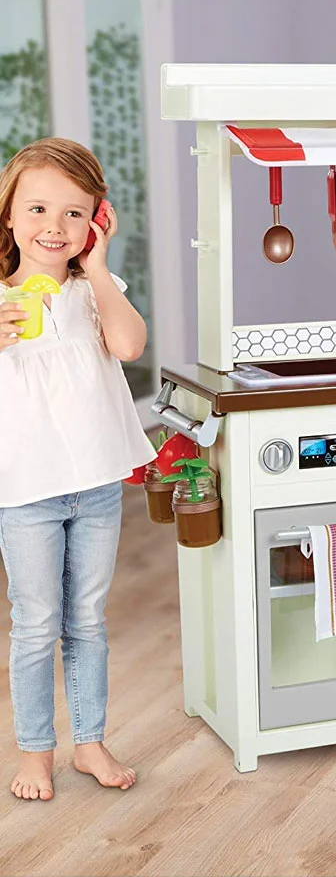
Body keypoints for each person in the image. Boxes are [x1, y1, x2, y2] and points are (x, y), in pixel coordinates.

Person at [0, 138, 156, 801]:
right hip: (24, 490)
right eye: (37, 208)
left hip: (93, 484)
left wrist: (98, 266)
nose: (53, 227)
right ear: (8, 214)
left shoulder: (95, 291)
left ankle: (88, 741)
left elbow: (128, 345)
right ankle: (36, 752)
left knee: (87, 617)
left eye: (74, 213)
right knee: (37, 621)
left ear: (95, 220)